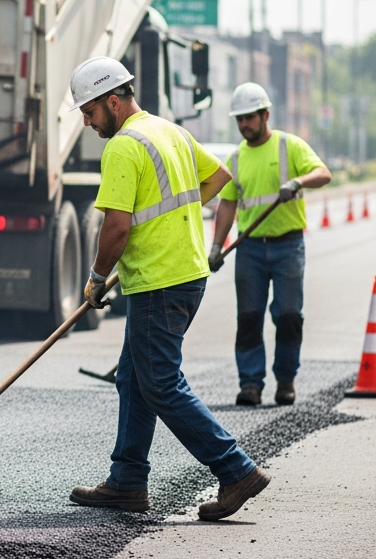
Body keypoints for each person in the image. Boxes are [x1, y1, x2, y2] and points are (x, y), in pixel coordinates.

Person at [66, 56, 269, 522]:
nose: (87, 121)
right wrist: (169, 219)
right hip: (183, 273)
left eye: (90, 111)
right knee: (134, 378)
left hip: (160, 280)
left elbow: (116, 227)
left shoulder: (122, 147)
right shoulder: (168, 131)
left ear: (113, 101)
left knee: (159, 382)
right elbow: (219, 176)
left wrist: (96, 280)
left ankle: (235, 469)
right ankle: (128, 481)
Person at [208, 83, 331, 407]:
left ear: (265, 115)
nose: (244, 125)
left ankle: (286, 380)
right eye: (240, 119)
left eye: (250, 118)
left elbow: (323, 173)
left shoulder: (289, 146)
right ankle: (250, 384)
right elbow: (228, 205)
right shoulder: (236, 159)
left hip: (288, 246)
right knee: (249, 317)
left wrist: (298, 182)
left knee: (289, 314)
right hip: (249, 249)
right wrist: (217, 247)